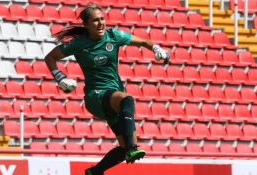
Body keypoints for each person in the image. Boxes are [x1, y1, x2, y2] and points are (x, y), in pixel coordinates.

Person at [44, 4, 170, 175]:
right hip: (95, 96)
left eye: (102, 19)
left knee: (124, 146)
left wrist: (157, 49)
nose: (101, 23)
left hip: (111, 94)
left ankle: (95, 171)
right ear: (86, 25)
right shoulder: (78, 44)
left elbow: (143, 41)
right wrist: (60, 78)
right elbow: (50, 57)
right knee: (127, 100)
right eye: (95, 20)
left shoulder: (113, 36)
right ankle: (132, 148)